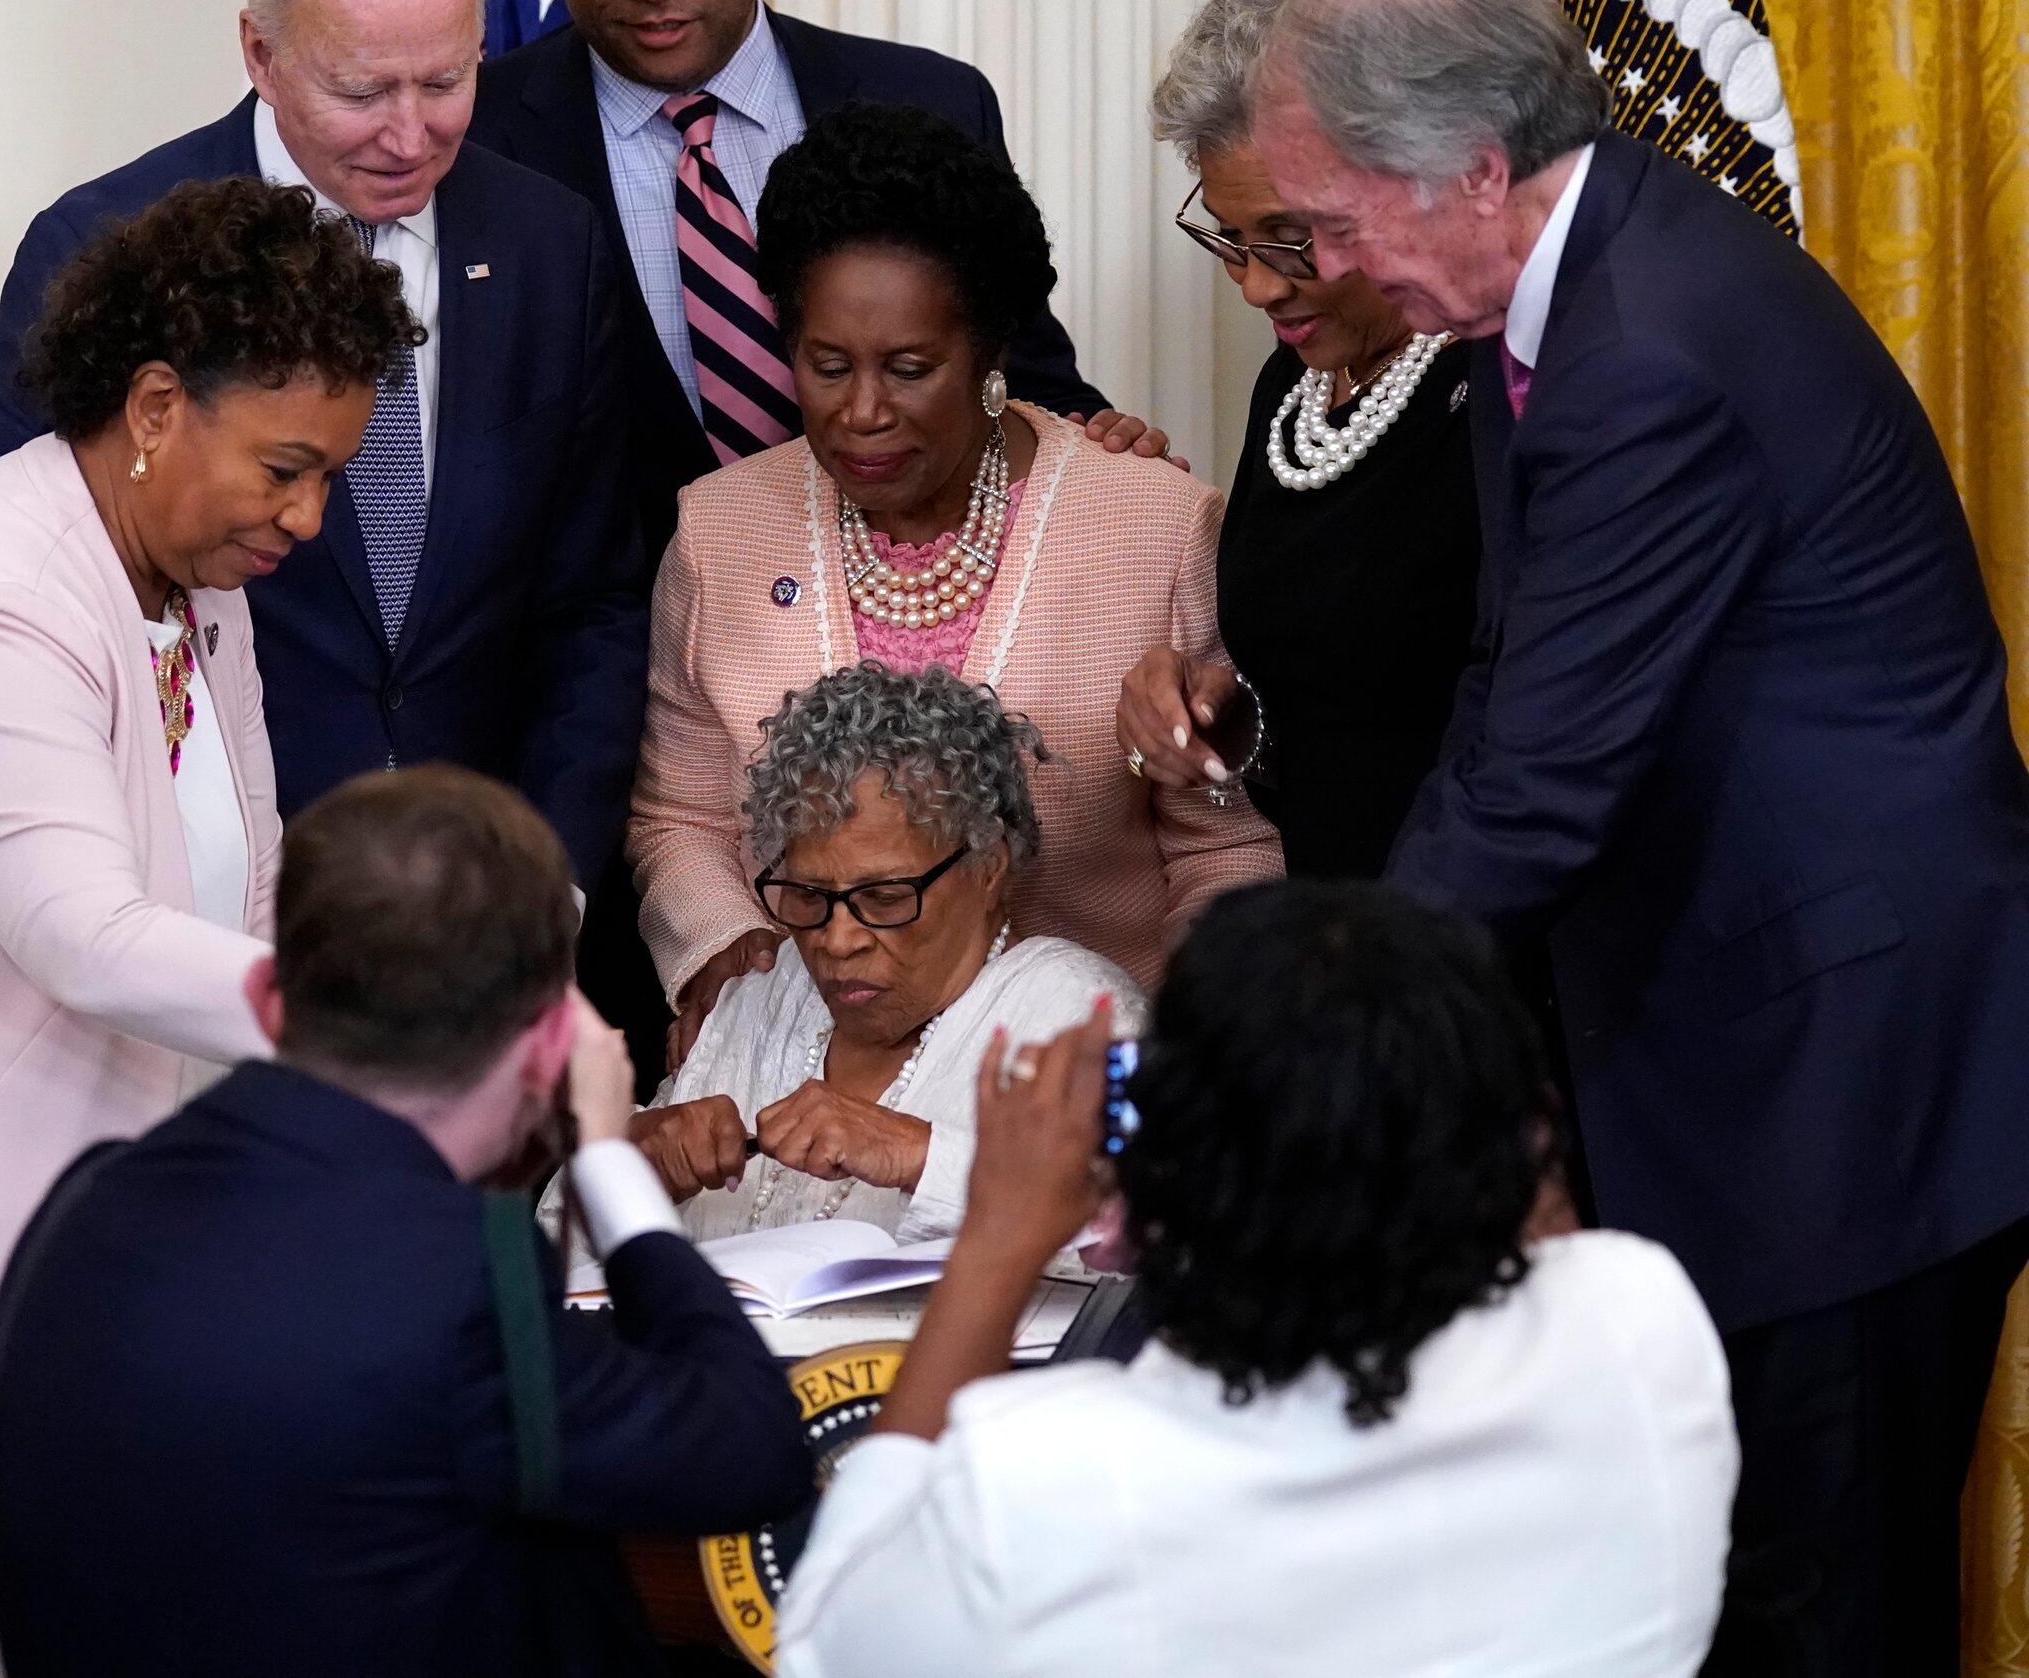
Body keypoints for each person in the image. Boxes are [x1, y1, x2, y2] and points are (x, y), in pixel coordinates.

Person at [1250, 0, 2029, 1676]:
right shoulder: (1574, 293)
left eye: (1332, 216)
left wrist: (1297, 1042)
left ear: (1468, 168)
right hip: (1761, 1046)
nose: (1325, 262)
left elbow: (1533, 790)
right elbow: (1503, 689)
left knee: (1821, 1608)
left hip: (1847, 1080)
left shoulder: (1649, 347)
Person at [778, 880, 1738, 1676]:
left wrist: (996, 1237)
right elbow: (1549, 1234)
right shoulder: (1641, 1327)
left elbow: (829, 1636)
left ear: (1165, 1174)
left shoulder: (1049, 1477)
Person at [0, 766, 813, 1678]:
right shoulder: (465, 1275)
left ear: (264, 1001)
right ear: (550, 1044)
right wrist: (610, 1160)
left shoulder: (83, 1205)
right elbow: (751, 1450)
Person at [0, 180, 416, 1568]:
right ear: (160, 404)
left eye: (332, 478)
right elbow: (87, 935)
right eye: (286, 466)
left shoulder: (194, 584)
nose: (306, 516)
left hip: (104, 1252)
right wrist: (400, 1025)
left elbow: (244, 891)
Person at [0, 0, 651, 917]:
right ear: (259, 53)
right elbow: (13, 595)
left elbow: (593, 601)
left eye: (447, 81)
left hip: (484, 907)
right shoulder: (105, 248)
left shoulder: (553, 244)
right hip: (193, 898)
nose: (411, 133)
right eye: (362, 89)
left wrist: (546, 874)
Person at [631, 102, 1283, 1063]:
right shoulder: (719, 530)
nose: (861, 412)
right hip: (805, 1073)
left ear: (988, 355)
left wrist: (1180, 1045)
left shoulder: (1155, 527)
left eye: (908, 368)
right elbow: (677, 816)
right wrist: (737, 961)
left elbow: (1220, 840)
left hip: (1082, 1078)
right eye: (827, 366)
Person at [472, 0, 1165, 557]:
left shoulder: (929, 99)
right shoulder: (475, 141)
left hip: (927, 618)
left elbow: (1014, 379)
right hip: (630, 653)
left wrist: (1102, 452)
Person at [1115, 0, 1478, 876]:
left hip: (1479, 953)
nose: (1253, 288)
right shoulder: (1295, 385)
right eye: (1230, 240)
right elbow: (1333, 693)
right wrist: (1219, 713)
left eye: (1286, 238)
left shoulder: (1510, 392)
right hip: (1334, 939)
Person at [630, 662, 1143, 1239]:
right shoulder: (762, 997)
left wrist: (919, 1156)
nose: (839, 940)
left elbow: (1154, 1234)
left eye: (884, 897)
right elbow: (556, 1250)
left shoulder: (1079, 1013)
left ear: (989, 866)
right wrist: (624, 1174)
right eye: (808, 894)